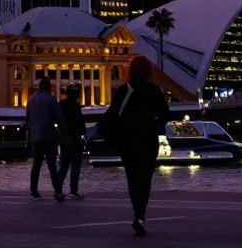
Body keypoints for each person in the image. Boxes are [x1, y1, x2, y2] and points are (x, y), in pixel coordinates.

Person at [98, 54, 170, 237]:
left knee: (132, 178)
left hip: (127, 140)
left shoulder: (123, 90)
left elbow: (113, 113)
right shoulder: (154, 90)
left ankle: (137, 211)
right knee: (145, 179)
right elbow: (164, 114)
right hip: (148, 139)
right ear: (148, 71)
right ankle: (140, 215)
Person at [25, 77, 68, 200]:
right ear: (49, 87)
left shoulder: (31, 100)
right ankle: (58, 191)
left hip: (35, 135)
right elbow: (59, 118)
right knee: (52, 165)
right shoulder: (51, 98)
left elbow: (27, 118)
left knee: (36, 164)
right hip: (49, 135)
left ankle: (34, 191)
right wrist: (64, 134)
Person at [56, 84, 87, 199]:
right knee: (75, 166)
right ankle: (73, 191)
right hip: (75, 139)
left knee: (64, 165)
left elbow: (59, 121)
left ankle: (58, 190)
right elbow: (80, 123)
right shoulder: (75, 106)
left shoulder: (61, 105)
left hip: (65, 139)